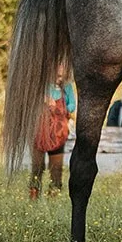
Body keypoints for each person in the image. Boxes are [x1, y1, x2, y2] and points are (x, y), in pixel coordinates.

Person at [31, 65, 77, 199]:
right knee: (37, 166)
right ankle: (34, 197)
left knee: (56, 168)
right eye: (57, 73)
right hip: (40, 132)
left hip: (58, 133)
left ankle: (54, 197)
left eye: (62, 74)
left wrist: (59, 107)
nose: (60, 76)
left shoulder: (67, 87)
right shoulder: (42, 85)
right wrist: (44, 102)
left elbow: (72, 105)